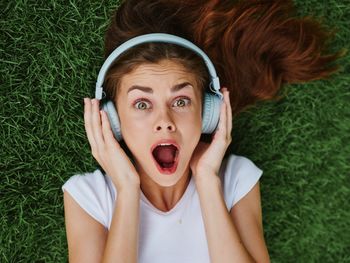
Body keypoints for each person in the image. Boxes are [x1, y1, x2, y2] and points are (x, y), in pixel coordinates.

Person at [62, 0, 342, 262]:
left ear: (208, 112)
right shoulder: (88, 197)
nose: (165, 121)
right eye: (142, 103)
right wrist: (126, 188)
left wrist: (207, 180)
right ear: (112, 119)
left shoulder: (235, 180)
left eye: (181, 101)